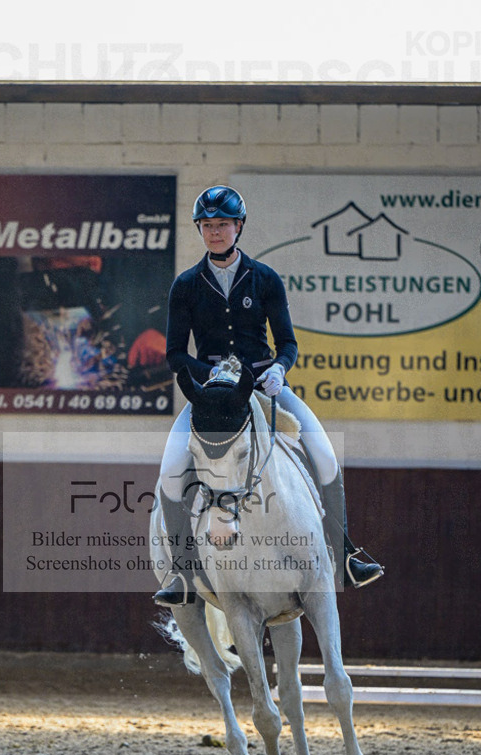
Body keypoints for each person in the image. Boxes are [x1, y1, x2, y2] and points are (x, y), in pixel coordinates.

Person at [154, 184, 384, 607]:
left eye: (222, 224)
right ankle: (183, 573)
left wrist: (280, 368)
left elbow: (289, 343)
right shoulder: (185, 285)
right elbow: (173, 354)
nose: (215, 232)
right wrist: (216, 374)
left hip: (265, 385)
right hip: (210, 397)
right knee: (171, 470)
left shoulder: (264, 279)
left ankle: (343, 555)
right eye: (207, 226)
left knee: (325, 456)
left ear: (238, 227)